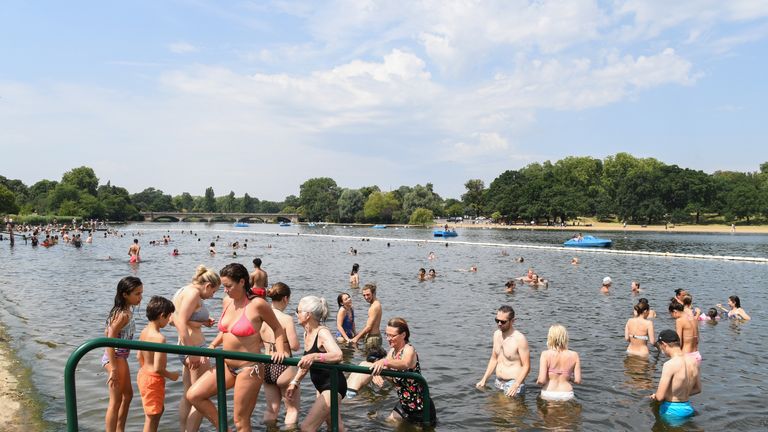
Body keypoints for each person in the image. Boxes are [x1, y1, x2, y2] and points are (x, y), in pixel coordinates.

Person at [186, 263, 287, 432]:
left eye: (228, 286)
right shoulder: (227, 302)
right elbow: (228, 331)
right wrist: (212, 345)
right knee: (194, 395)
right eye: (223, 286)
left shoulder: (258, 305)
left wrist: (281, 350)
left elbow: (277, 328)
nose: (224, 290)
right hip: (226, 365)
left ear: (242, 282)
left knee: (241, 421)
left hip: (249, 368)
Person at [346, 318, 437, 426]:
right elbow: (388, 373)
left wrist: (384, 362)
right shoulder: (392, 352)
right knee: (387, 424)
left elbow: (405, 363)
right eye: (386, 334)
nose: (388, 339)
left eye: (392, 336)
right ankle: (349, 396)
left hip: (421, 407)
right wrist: (377, 374)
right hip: (405, 404)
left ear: (403, 335)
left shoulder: (409, 349)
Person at [286, 296, 347, 431]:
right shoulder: (306, 334)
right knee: (334, 426)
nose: (295, 313)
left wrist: (315, 356)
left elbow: (338, 354)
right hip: (321, 386)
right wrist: (295, 382)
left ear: (308, 315)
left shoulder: (322, 332)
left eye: (298, 310)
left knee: (307, 427)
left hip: (333, 385)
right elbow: (306, 362)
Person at [171, 265, 220, 432]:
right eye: (213, 292)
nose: (212, 295)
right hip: (194, 348)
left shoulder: (183, 290)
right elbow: (180, 322)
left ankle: (183, 429)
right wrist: (192, 352)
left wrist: (202, 322)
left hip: (183, 346)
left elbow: (173, 318)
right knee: (200, 396)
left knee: (188, 394)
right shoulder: (194, 294)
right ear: (207, 286)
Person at [102, 276, 144, 432]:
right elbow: (110, 338)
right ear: (125, 294)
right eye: (137, 294)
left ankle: (120, 429)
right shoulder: (122, 315)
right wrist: (112, 368)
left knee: (128, 396)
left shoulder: (125, 311)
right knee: (116, 400)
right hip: (116, 358)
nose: (140, 297)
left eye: (141, 293)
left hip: (120, 358)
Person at [261, 282, 301, 429]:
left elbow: (259, 342)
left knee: (271, 410)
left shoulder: (262, 317)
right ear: (285, 298)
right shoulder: (286, 319)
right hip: (283, 365)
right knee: (292, 410)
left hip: (266, 364)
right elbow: (295, 346)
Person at [137, 296, 179, 432]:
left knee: (157, 411)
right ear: (162, 316)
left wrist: (146, 370)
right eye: (168, 317)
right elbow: (158, 368)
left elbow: (139, 356)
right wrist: (172, 375)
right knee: (152, 416)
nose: (168, 321)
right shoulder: (159, 338)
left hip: (143, 374)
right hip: (153, 379)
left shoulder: (143, 332)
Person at [476, 305, 531, 397]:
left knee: (507, 410)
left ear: (512, 321)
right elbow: (494, 359)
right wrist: (484, 379)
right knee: (495, 410)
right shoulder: (496, 335)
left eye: (503, 321)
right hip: (498, 382)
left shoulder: (519, 339)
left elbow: (527, 367)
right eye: (497, 320)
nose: (499, 324)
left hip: (513, 384)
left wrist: (516, 385)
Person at [650, 330, 701, 425]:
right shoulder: (693, 361)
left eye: (660, 347)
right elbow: (698, 389)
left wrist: (655, 396)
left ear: (664, 344)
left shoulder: (669, 365)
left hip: (672, 411)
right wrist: (680, 395)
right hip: (688, 408)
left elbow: (660, 397)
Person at [536, 324, 581, 401]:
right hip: (566, 393)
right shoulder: (574, 355)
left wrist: (538, 381)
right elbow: (578, 381)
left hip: (549, 392)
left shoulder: (545, 354)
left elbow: (542, 380)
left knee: (547, 413)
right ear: (565, 337)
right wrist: (569, 379)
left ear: (550, 337)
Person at [349, 284, 384, 360]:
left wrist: (356, 338)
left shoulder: (374, 307)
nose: (366, 297)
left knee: (370, 362)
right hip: (375, 336)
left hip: (373, 339)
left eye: (368, 294)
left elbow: (369, 327)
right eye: (364, 295)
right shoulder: (376, 304)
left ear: (374, 293)